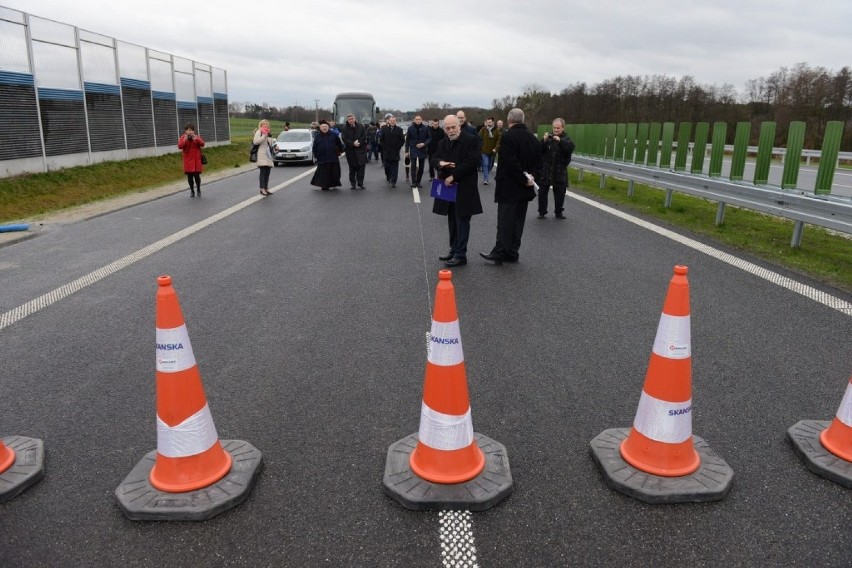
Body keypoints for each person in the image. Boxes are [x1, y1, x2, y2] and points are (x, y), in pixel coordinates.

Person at [480, 108, 542, 265]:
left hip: (509, 187)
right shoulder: (532, 138)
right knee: (518, 222)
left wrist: (522, 178)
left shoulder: (507, 137)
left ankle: (500, 252)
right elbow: (539, 161)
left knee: (505, 221)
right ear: (523, 119)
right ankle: (513, 252)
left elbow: (509, 163)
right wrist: (531, 177)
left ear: (509, 120)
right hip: (526, 187)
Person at [432, 115, 483, 268]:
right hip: (448, 189)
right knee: (452, 220)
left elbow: (472, 162)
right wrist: (440, 163)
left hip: (464, 187)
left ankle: (461, 254)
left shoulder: (471, 140)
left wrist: (453, 176)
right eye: (447, 128)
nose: (451, 130)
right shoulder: (443, 142)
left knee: (462, 221)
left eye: (453, 127)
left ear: (459, 126)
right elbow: (434, 158)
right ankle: (453, 249)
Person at [538, 118, 576, 219]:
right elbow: (538, 151)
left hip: (559, 170)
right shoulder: (548, 138)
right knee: (542, 192)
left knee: (560, 193)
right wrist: (544, 140)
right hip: (546, 170)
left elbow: (570, 149)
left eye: (558, 128)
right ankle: (542, 212)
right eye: (554, 128)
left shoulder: (566, 139)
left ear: (563, 128)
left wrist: (561, 141)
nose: (555, 130)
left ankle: (558, 212)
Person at [310, 120, 344, 191]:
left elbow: (339, 143)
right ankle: (324, 186)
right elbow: (314, 147)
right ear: (320, 128)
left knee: (334, 173)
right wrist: (317, 156)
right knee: (323, 174)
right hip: (322, 159)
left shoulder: (333, 134)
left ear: (328, 127)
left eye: (326, 126)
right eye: (323, 127)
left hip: (333, 158)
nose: (324, 128)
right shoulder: (317, 136)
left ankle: (333, 184)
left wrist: (341, 150)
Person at [341, 113, 368, 189]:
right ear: (347, 120)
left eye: (352, 119)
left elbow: (364, 136)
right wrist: (353, 144)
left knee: (361, 168)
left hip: (361, 150)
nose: (351, 120)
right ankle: (353, 183)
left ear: (355, 118)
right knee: (352, 169)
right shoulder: (344, 128)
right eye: (349, 119)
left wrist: (359, 142)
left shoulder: (360, 126)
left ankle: (360, 183)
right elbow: (344, 138)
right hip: (351, 151)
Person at [178, 123, 205, 197]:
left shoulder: (196, 137)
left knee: (197, 176)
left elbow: (203, 144)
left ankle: (198, 189)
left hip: (196, 161)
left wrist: (196, 139)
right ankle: (192, 191)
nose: (191, 132)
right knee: (190, 177)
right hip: (188, 161)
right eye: (189, 130)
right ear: (185, 131)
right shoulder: (183, 138)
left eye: (192, 130)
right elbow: (180, 146)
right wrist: (185, 139)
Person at [405, 115, 431, 189]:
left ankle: (418, 182)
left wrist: (424, 144)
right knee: (413, 167)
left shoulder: (425, 128)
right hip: (413, 149)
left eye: (419, 119)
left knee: (421, 168)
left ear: (421, 120)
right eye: (416, 119)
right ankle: (413, 182)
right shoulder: (410, 128)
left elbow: (429, 138)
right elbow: (407, 140)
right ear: (414, 120)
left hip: (422, 149)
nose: (418, 120)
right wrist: (406, 151)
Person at [379, 115, 405, 188]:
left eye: (394, 121)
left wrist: (398, 147)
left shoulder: (399, 130)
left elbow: (402, 140)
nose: (392, 122)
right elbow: (381, 140)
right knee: (387, 167)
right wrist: (384, 147)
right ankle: (388, 177)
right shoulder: (384, 129)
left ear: (395, 121)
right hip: (386, 152)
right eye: (391, 121)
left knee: (394, 168)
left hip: (395, 152)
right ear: (388, 121)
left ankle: (393, 181)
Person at [252, 119, 276, 196]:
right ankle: (262, 189)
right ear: (261, 125)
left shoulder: (269, 133)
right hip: (261, 154)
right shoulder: (259, 132)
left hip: (268, 154)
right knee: (263, 172)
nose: (266, 125)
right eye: (264, 124)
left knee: (267, 173)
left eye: (267, 124)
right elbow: (255, 142)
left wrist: (275, 145)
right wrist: (264, 136)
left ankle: (266, 188)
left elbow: (271, 143)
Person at [478, 117, 501, 186]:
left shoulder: (496, 131)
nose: (488, 123)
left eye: (490, 122)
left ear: (493, 122)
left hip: (492, 151)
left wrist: (495, 148)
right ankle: (486, 179)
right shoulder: (483, 129)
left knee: (490, 165)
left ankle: (486, 174)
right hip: (484, 151)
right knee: (485, 164)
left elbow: (499, 140)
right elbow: (478, 138)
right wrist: (480, 147)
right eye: (487, 122)